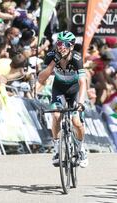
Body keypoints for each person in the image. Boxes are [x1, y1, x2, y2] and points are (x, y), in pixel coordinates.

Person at [38, 31, 88, 168]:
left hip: (74, 92)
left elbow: (83, 83)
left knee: (76, 122)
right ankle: (57, 149)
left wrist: (81, 103)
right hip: (58, 89)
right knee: (56, 115)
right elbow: (41, 79)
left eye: (66, 44)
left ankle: (81, 149)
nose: (62, 47)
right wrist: (53, 63)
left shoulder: (77, 58)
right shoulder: (51, 56)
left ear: (71, 46)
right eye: (59, 43)